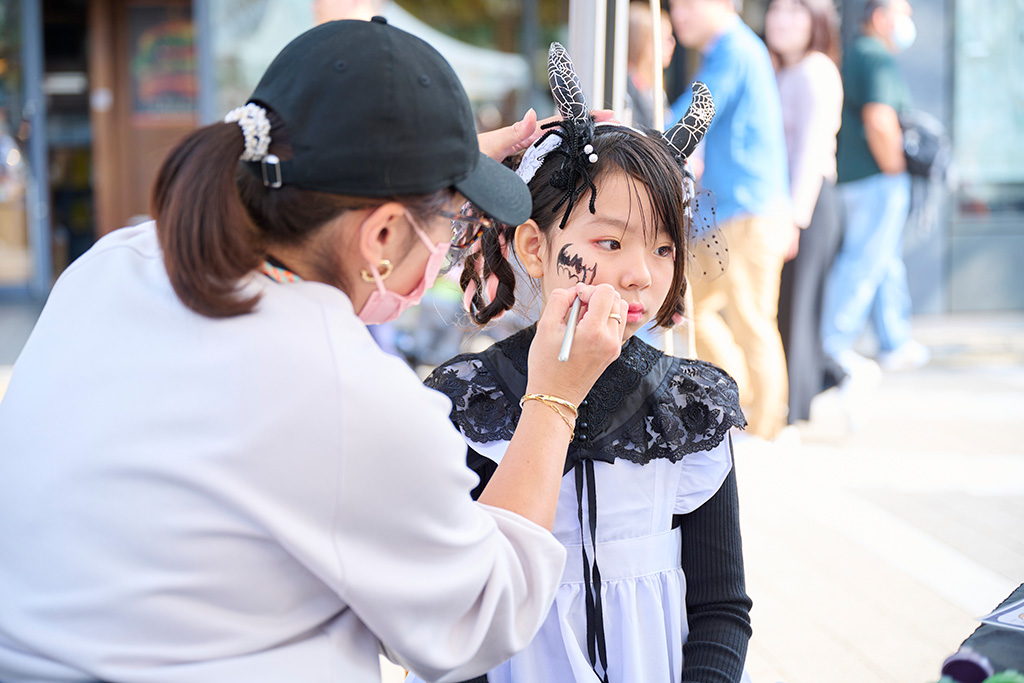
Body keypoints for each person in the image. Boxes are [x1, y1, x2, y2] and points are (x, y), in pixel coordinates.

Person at [0, 19, 628, 683]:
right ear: (383, 231)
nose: (453, 237)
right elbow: (482, 612)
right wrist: (555, 397)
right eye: (454, 216)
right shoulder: (345, 391)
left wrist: (431, 161)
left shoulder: (112, 265)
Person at [408, 44, 751, 683]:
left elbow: (721, 608)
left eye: (663, 247)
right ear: (535, 247)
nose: (641, 274)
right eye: (610, 242)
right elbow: (452, 615)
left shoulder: (692, 405)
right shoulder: (465, 402)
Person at [668, 0, 792, 440]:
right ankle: (740, 401)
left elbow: (696, 112)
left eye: (686, 4)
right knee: (684, 305)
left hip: (747, 213)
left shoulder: (735, 50)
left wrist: (645, 138)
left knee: (751, 320)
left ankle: (763, 428)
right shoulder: (730, 50)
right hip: (732, 214)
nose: (676, 13)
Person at [821, 0, 930, 374]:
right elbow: (880, 122)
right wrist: (896, 169)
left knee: (884, 261)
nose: (909, 22)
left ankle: (893, 340)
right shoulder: (875, 58)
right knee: (864, 262)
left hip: (859, 178)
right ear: (881, 18)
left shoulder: (858, 53)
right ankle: (832, 346)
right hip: (875, 179)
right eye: (904, 15)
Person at [764, 0, 845, 424]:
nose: (780, 20)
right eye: (775, 11)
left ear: (816, 21)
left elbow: (812, 151)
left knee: (797, 306)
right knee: (786, 306)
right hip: (788, 203)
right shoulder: (781, 71)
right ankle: (826, 383)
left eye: (794, 12)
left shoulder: (816, 70)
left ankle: (792, 412)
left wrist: (796, 219)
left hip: (809, 203)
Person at [625, 2, 675, 129]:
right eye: (664, 38)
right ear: (640, 41)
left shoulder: (654, 89)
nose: (672, 43)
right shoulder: (625, 89)